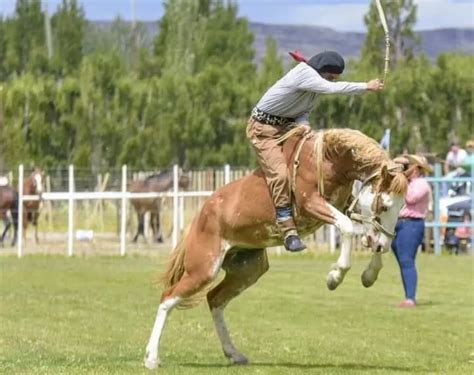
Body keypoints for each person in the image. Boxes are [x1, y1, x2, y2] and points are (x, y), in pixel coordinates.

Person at [246, 50, 384, 252]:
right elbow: (332, 89)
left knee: (315, 160)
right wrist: (366, 86)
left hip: (286, 127)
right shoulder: (304, 73)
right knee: (280, 173)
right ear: (322, 72)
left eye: (333, 78)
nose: (331, 81)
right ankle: (288, 230)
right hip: (263, 131)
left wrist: (303, 125)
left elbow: (303, 112)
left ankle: (335, 201)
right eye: (330, 77)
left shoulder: (313, 89)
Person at [391, 154, 433, 308]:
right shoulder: (409, 182)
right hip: (399, 224)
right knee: (403, 261)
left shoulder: (421, 184)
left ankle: (410, 298)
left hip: (412, 224)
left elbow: (410, 198)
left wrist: (400, 180)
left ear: (416, 168)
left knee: (407, 260)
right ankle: (408, 296)